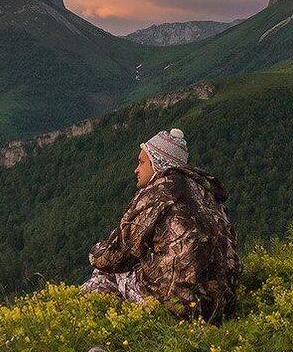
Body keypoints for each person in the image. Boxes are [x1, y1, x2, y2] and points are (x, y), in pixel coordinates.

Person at [81, 128, 239, 322]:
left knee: (105, 272)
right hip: (220, 307)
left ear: (158, 163)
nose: (136, 169)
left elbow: (115, 255)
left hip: (177, 307)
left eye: (141, 162)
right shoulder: (208, 195)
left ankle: (84, 318)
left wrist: (94, 253)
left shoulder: (160, 191)